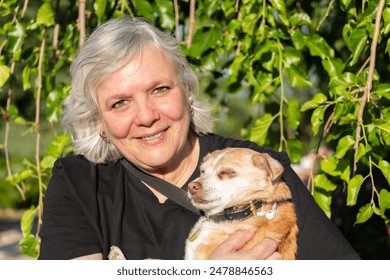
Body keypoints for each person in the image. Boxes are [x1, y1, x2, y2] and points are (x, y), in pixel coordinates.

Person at [38, 16, 360, 260]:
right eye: (120, 103)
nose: (146, 116)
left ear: (187, 91)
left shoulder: (257, 171)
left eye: (159, 89)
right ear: (99, 121)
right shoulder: (80, 184)